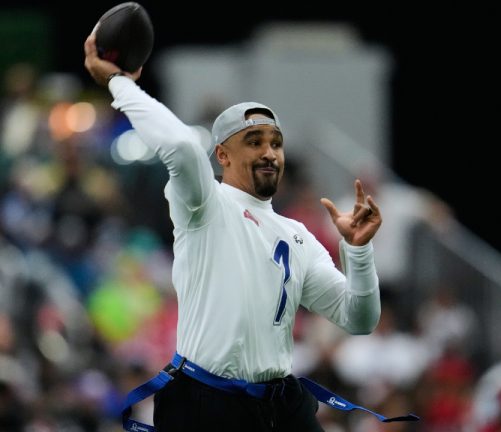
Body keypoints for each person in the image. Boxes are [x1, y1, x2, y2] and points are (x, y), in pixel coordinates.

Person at [83, 33, 385, 431]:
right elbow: (181, 146)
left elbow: (358, 318)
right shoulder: (205, 204)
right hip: (206, 400)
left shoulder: (296, 235)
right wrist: (119, 82)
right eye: (254, 141)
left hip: (278, 402)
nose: (268, 152)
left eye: (276, 143)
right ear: (222, 154)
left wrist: (358, 253)